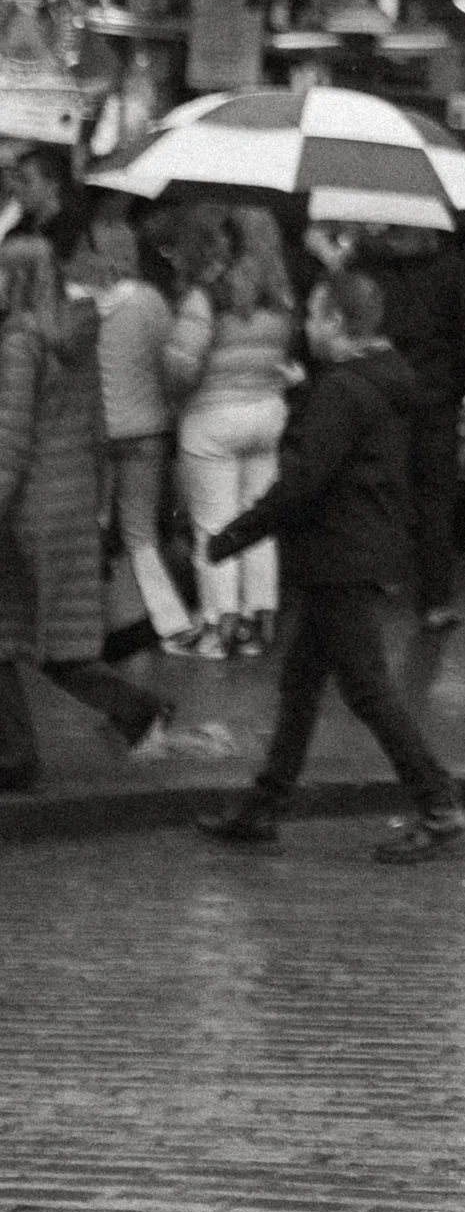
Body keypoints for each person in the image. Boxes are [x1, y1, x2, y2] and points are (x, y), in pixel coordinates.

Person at [195, 265, 465, 863]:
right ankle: (265, 806)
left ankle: (437, 804)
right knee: (300, 684)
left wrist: (235, 534)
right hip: (351, 549)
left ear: (337, 323)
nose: (307, 326)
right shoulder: (382, 381)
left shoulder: (342, 391)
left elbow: (304, 478)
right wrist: (303, 398)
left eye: (315, 315)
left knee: (366, 688)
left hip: (338, 552)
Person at [0, 237, 194, 788]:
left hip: (24, 515)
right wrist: (98, 501)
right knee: (53, 643)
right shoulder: (76, 338)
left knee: (13, 635)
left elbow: (10, 443)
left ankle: (16, 757)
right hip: (70, 505)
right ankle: (135, 709)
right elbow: (97, 428)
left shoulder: (19, 343)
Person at [167, 206, 298, 659]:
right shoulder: (282, 299)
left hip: (215, 419)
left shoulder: (210, 297)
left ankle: (216, 628)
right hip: (267, 415)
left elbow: (181, 366)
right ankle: (257, 623)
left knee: (214, 525)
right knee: (258, 522)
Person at [80, 213, 198, 653]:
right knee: (140, 532)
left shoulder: (80, 304)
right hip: (146, 430)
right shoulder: (149, 301)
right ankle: (167, 622)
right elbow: (167, 361)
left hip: (96, 432)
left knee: (96, 528)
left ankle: (93, 628)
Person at [364, 224, 465, 632]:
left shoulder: (371, 266)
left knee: (384, 489)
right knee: (436, 499)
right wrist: (458, 388)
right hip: (436, 399)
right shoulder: (451, 269)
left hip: (386, 397)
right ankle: (435, 601)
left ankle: (385, 576)